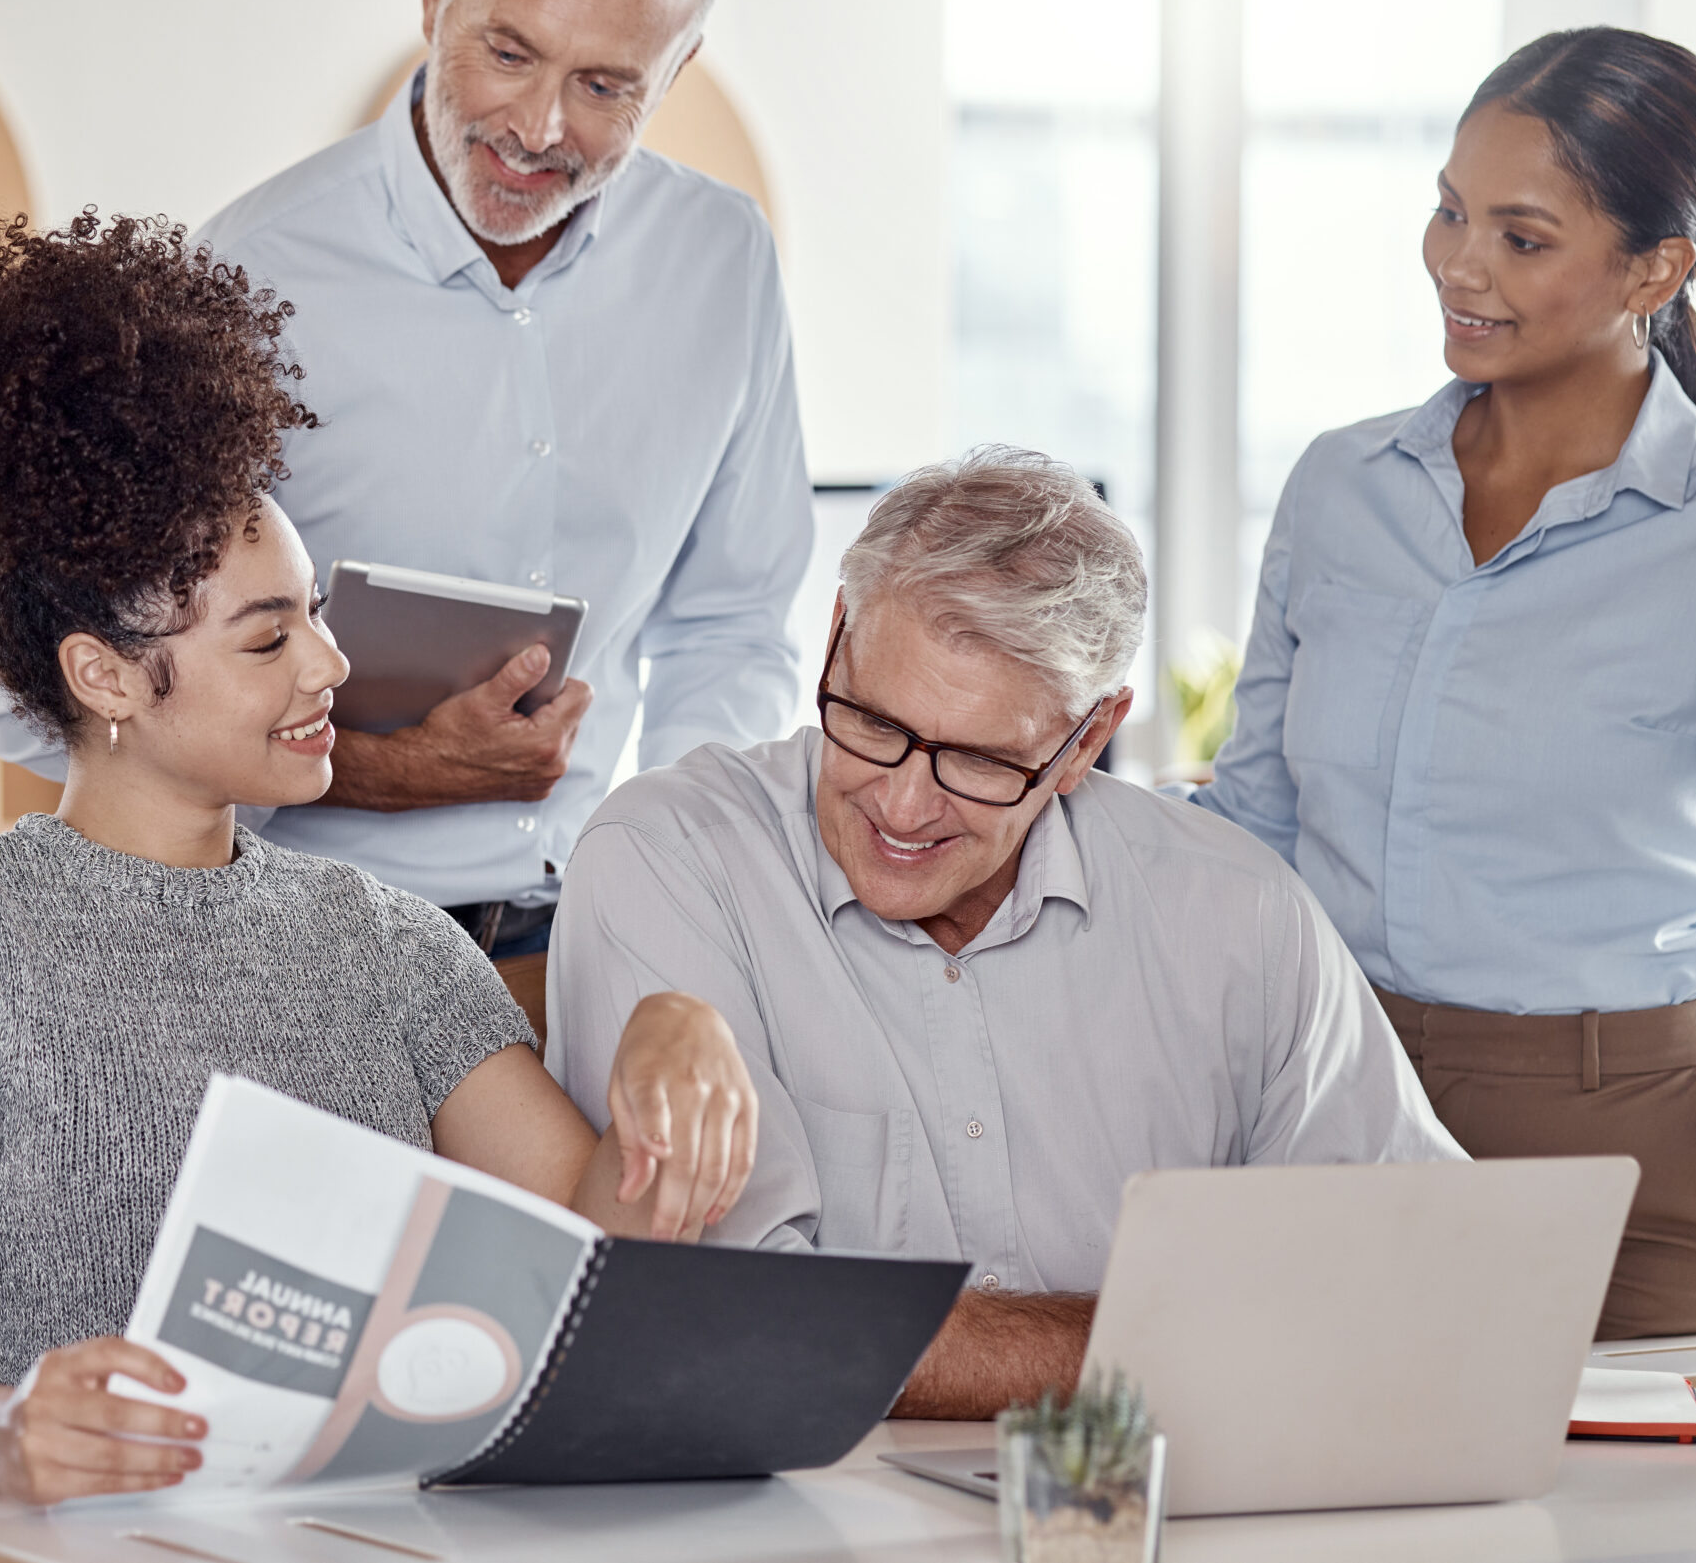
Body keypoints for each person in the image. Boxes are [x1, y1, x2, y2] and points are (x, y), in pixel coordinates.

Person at [0, 212, 758, 1507]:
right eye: (267, 640)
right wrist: (1, 1425)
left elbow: (587, 1258)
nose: (331, 668)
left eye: (314, 614)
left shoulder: (393, 942)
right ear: (106, 674)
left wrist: (676, 1035)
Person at [0, 0, 812, 980]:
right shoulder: (245, 274)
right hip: (295, 950)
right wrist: (388, 771)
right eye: (508, 52)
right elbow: (56, 701)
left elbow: (731, 627)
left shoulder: (720, 258)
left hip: (587, 943)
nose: (536, 130)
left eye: (604, 86)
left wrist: (685, 905)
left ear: (674, 73)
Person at [548, 448, 1460, 1421]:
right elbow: (740, 1321)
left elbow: (1407, 1269)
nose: (900, 803)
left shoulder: (1236, 910)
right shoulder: (665, 857)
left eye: (978, 762)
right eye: (869, 720)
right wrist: (1194, 1343)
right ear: (835, 635)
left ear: (1086, 739)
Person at [1193, 28, 1696, 1357]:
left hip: (1630, 1136)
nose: (1457, 264)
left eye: (1521, 235)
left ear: (1657, 269)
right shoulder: (1341, 488)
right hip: (1339, 1099)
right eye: (1448, 211)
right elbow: (1251, 825)